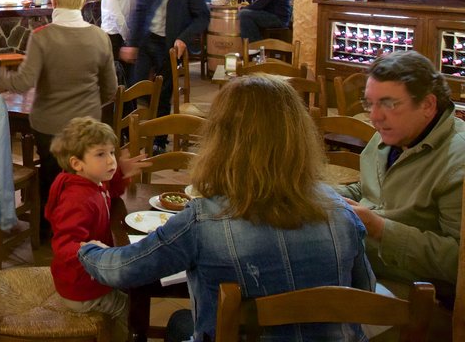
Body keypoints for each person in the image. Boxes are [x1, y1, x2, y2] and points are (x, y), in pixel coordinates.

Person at [79, 74, 375, 341]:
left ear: (220, 139)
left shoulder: (204, 220)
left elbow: (122, 271)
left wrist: (88, 250)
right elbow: (366, 294)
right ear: (300, 137)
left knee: (183, 322)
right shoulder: (341, 213)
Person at [0, 0, 116, 238]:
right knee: (84, 179)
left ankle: (49, 232)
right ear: (83, 1)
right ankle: (86, 227)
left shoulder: (43, 36)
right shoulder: (99, 37)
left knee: (52, 176)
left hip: (49, 126)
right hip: (88, 127)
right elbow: (110, 90)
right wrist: (88, 110)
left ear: (54, 0)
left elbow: (23, 83)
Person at [338, 51, 465, 301]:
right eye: (369, 104)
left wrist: (380, 229)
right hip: (364, 264)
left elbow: (457, 261)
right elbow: (369, 190)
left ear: (428, 105)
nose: (375, 117)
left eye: (389, 104)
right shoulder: (394, 131)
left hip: (420, 296)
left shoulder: (457, 159)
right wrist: (322, 194)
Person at [47, 117, 148, 340]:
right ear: (77, 163)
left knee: (130, 287)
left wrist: (121, 174)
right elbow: (63, 245)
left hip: (88, 276)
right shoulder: (77, 200)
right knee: (130, 307)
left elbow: (108, 192)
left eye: (112, 152)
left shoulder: (91, 181)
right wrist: (86, 248)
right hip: (81, 288)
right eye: (101, 154)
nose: (111, 160)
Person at [121, 0, 209, 154]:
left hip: (170, 45)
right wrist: (132, 43)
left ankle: (159, 139)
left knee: (163, 91)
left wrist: (184, 38)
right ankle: (132, 133)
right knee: (136, 86)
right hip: (147, 40)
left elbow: (202, 17)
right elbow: (140, 11)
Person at [98, 0, 139, 85]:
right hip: (127, 36)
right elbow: (138, 8)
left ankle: (118, 106)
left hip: (113, 38)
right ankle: (129, 105)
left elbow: (117, 16)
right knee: (126, 79)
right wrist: (130, 37)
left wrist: (126, 37)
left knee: (113, 80)